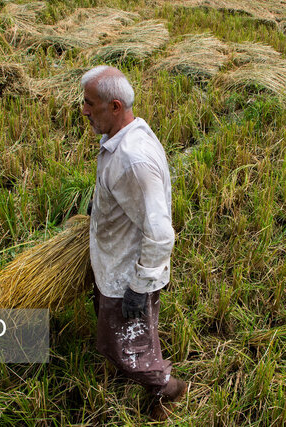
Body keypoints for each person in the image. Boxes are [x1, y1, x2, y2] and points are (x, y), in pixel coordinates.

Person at [81, 65, 187, 421]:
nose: (83, 110)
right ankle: (149, 367)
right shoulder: (123, 136)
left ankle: (167, 387)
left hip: (127, 274)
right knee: (122, 338)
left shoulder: (133, 159)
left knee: (129, 349)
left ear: (114, 106)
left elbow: (159, 233)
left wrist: (139, 288)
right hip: (114, 261)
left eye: (89, 104)